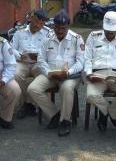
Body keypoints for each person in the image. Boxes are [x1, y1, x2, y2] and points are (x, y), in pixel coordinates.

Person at [27, 9, 85, 137]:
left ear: (68, 27)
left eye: (63, 28)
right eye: (57, 28)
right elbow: (41, 60)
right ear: (53, 26)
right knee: (32, 89)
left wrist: (68, 72)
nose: (59, 31)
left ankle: (65, 121)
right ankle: (54, 115)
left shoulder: (77, 39)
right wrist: (49, 72)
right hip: (51, 74)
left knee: (66, 87)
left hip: (69, 76)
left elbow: (81, 63)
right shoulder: (47, 38)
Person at [84, 11, 116, 131]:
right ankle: (109, 113)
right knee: (91, 95)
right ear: (103, 26)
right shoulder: (93, 36)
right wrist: (89, 74)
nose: (110, 34)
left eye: (112, 32)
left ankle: (109, 112)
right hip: (97, 74)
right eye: (107, 31)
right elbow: (86, 58)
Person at [12, 9, 50, 119]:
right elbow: (11, 48)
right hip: (22, 62)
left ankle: (31, 104)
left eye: (43, 23)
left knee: (43, 74)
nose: (40, 25)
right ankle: (25, 104)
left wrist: (41, 57)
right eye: (38, 21)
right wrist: (19, 55)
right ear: (32, 18)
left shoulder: (47, 33)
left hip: (38, 63)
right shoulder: (20, 31)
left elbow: (50, 51)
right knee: (15, 75)